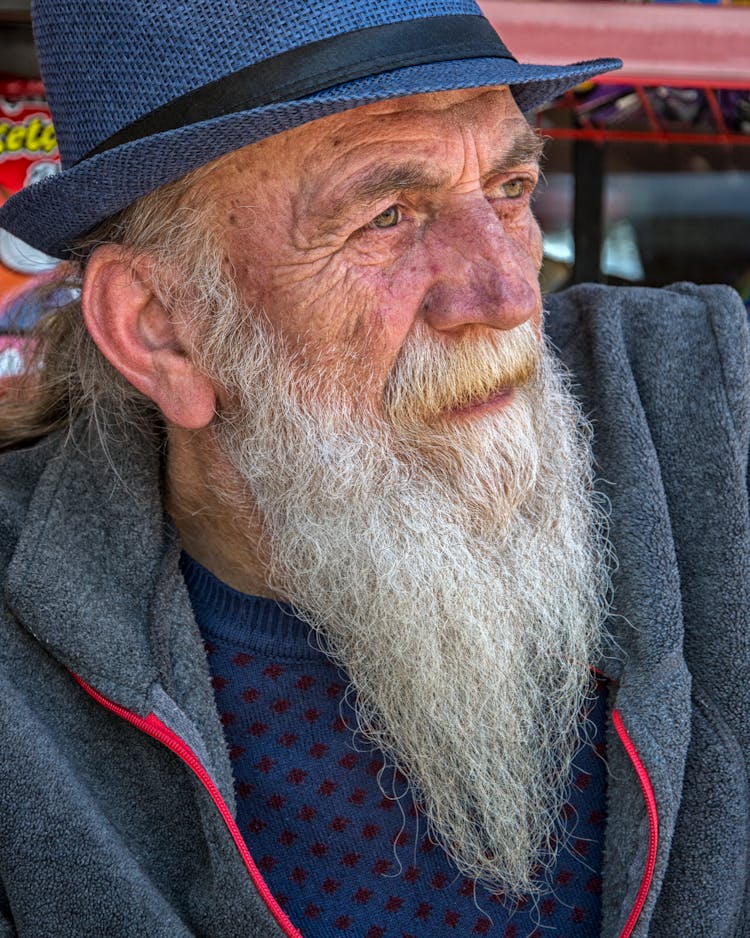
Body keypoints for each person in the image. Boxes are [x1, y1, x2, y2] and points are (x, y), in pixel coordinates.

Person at [0, 1, 747, 936]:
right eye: (388, 215)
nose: (511, 296)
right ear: (161, 330)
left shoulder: (705, 405)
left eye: (511, 189)